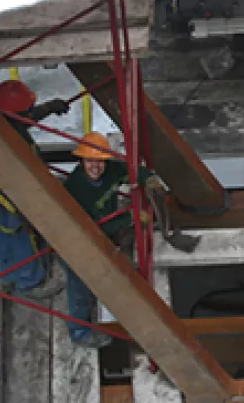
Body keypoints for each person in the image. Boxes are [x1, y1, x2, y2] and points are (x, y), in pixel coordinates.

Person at [60, 131, 167, 348]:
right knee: (80, 286)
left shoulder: (111, 170)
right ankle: (80, 332)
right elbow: (92, 227)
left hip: (106, 231)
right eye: (90, 161)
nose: (96, 166)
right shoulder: (75, 189)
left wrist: (150, 180)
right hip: (79, 238)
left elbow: (133, 171)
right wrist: (131, 217)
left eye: (100, 161)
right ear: (81, 161)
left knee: (113, 268)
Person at [0, 79, 70, 299]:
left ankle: (10, 274)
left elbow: (23, 119)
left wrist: (48, 108)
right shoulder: (1, 137)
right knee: (19, 230)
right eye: (26, 110)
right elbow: (22, 120)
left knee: (8, 230)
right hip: (12, 190)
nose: (30, 115)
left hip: (6, 186)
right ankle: (29, 281)